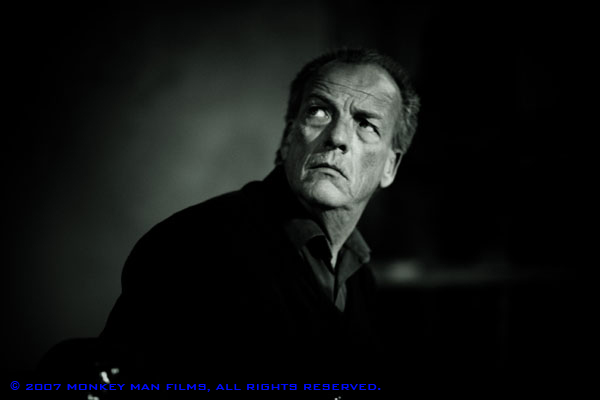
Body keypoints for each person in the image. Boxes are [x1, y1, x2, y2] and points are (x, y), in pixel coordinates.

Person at [98, 48, 420, 379]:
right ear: (288, 137)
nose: (337, 137)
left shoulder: (361, 280)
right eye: (319, 111)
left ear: (390, 166)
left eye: (366, 124)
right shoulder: (191, 246)